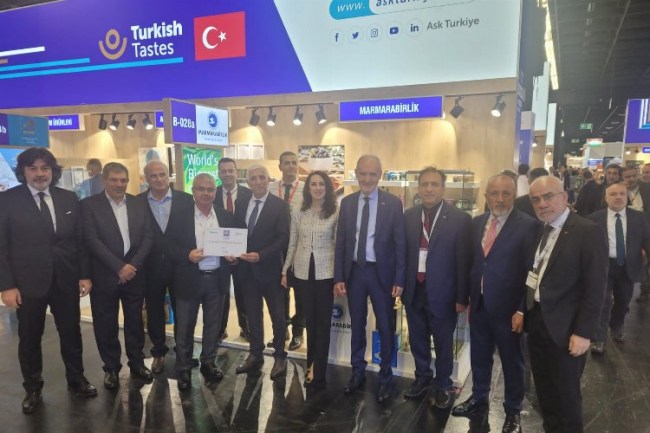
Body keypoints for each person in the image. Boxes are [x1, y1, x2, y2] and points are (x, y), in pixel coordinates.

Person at [0, 148, 97, 414]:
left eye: (45, 168)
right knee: (29, 338)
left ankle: (76, 379)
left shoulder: (68, 198)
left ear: (53, 171)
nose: (40, 173)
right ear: (24, 172)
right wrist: (6, 286)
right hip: (27, 284)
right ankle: (32, 388)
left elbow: (79, 242)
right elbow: (2, 247)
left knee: (71, 333)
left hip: (66, 280)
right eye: (33, 168)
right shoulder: (7, 201)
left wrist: (84, 274)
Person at [451, 174, 539, 433]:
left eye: (506, 193)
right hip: (479, 305)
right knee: (479, 357)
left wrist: (522, 308)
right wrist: (463, 297)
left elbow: (532, 272)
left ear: (514, 196)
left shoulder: (529, 226)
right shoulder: (476, 223)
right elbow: (471, 263)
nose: (499, 199)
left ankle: (513, 412)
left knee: (512, 363)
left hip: (509, 310)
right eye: (494, 193)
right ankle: (479, 399)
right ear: (486, 196)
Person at [525, 175, 607, 433]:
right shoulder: (540, 229)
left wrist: (584, 332)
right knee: (544, 390)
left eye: (548, 196)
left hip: (567, 328)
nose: (542, 204)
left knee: (566, 396)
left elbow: (595, 288)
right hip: (537, 321)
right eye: (536, 199)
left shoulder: (587, 231)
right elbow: (534, 273)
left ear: (564, 196)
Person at [334, 155, 406, 403]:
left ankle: (386, 377)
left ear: (380, 175)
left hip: (381, 274)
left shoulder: (393, 204)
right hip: (355, 273)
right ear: (356, 173)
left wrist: (399, 278)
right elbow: (341, 242)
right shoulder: (347, 203)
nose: (367, 179)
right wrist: (339, 276)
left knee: (385, 326)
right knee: (357, 324)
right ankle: (357, 371)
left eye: (372, 174)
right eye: (362, 173)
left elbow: (400, 244)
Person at [164, 173, 241, 390]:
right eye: (201, 189)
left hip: (217, 279)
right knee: (184, 328)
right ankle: (183, 368)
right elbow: (168, 246)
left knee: (213, 326)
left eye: (210, 190)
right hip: (189, 279)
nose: (206, 193)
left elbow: (233, 246)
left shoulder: (225, 216)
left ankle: (208, 362)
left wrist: (233, 257)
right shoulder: (180, 216)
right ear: (193, 191)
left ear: (215, 192)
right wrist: (187, 255)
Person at [402, 167, 470, 407]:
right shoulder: (409, 216)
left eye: (434, 184)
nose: (429, 189)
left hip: (444, 293)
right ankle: (422, 377)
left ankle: (443, 384)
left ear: (443, 188)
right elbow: (403, 254)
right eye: (424, 184)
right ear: (418, 188)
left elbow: (464, 261)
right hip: (414, 290)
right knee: (417, 339)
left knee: (443, 342)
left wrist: (462, 297)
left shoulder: (460, 219)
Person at [81, 162, 154, 389]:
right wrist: (118, 267)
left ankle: (137, 362)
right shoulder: (89, 206)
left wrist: (132, 266)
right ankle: (111, 368)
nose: (119, 184)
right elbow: (91, 240)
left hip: (134, 275)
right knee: (105, 324)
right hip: (104, 276)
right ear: (104, 180)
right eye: (114, 180)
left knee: (135, 322)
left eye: (123, 180)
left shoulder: (139, 203)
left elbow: (148, 237)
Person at [281, 170, 338, 388]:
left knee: (322, 323)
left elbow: (338, 245)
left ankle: (318, 370)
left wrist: (340, 276)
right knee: (310, 322)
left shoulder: (335, 212)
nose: (317, 188)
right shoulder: (299, 210)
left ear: (327, 188)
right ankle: (311, 363)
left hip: (326, 274)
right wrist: (285, 270)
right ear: (308, 188)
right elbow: (292, 242)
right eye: (313, 184)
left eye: (321, 184)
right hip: (302, 273)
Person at [136, 160, 194, 374]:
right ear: (146, 179)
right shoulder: (137, 202)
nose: (159, 179)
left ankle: (183, 351)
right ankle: (158, 352)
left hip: (180, 265)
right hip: (150, 267)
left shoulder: (186, 200)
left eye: (162, 174)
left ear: (168, 175)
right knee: (154, 312)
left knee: (183, 311)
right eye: (153, 176)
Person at [234, 164, 290, 380]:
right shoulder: (241, 203)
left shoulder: (280, 206)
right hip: (246, 271)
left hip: (270, 270)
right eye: (253, 178)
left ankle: (280, 356)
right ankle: (255, 354)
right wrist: (231, 251)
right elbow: (236, 232)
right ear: (248, 182)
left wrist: (261, 255)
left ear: (269, 180)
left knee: (278, 316)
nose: (258, 182)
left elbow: (283, 238)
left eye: (261, 177)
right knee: (253, 315)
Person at [588, 182, 650, 353]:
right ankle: (599, 338)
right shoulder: (594, 219)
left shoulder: (639, 218)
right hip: (603, 267)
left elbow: (648, 240)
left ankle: (616, 327)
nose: (618, 197)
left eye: (622, 194)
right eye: (613, 194)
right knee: (603, 302)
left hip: (628, 267)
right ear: (606, 198)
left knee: (623, 301)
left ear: (627, 197)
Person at [270, 151, 305, 351]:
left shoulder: (306, 189)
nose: (291, 166)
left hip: (299, 248)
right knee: (279, 293)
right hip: (277, 248)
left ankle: (298, 332)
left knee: (300, 293)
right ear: (280, 166)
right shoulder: (271, 188)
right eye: (287, 163)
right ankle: (281, 330)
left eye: (294, 163)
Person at [215, 157, 252, 341]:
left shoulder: (249, 194)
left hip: (243, 254)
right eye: (224, 171)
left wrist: (241, 253)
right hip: (220, 254)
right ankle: (220, 329)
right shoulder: (212, 194)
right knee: (220, 293)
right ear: (219, 174)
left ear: (237, 172)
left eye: (231, 170)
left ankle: (246, 328)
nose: (227, 174)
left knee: (243, 292)